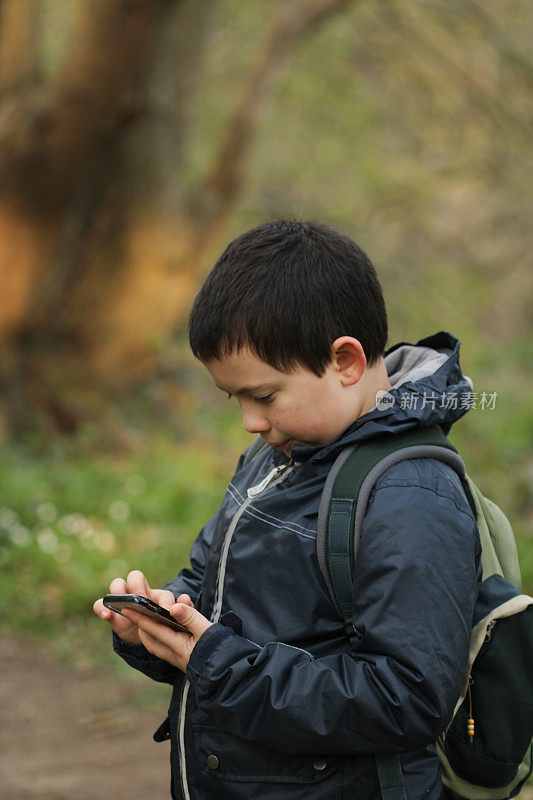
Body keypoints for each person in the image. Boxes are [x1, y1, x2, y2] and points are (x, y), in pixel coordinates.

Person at [94, 220, 481, 800]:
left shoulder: (412, 496)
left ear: (345, 362)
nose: (249, 421)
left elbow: (408, 698)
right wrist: (160, 622)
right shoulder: (277, 451)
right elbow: (211, 582)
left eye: (264, 396)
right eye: (236, 398)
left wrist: (218, 663)